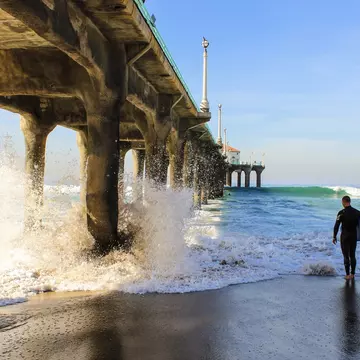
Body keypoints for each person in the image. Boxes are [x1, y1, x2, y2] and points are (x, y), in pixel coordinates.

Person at [333, 196, 360, 280]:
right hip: (353, 236)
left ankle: (347, 275)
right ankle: (353, 274)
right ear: (350, 201)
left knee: (346, 256)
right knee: (352, 255)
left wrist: (334, 236)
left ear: (343, 202)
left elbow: (336, 226)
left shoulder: (341, 213)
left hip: (345, 237)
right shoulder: (357, 212)